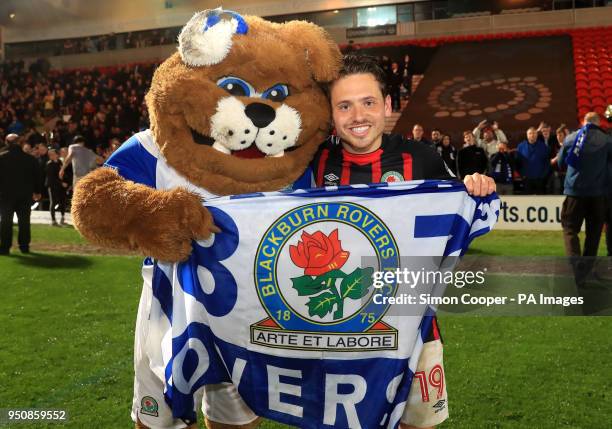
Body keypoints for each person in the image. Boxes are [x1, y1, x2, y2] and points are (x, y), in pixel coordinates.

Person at [313, 54, 495, 429]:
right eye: (344, 106)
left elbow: (457, 211)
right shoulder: (313, 162)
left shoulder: (421, 158)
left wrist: (477, 188)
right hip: (335, 328)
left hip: (413, 326)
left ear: (388, 106)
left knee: (417, 423)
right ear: (331, 113)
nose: (358, 116)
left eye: (368, 102)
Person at [558, 112, 612, 285]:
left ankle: (576, 263)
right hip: (598, 195)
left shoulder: (570, 139)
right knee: (594, 234)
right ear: (599, 123)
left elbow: (560, 163)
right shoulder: (607, 141)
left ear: (583, 122)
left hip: (575, 194)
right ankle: (584, 272)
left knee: (569, 229)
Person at [0, 135, 42, 254]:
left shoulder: (2, 158)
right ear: (20, 143)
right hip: (25, 195)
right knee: (24, 221)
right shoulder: (30, 159)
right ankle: (24, 246)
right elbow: (37, 177)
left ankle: (4, 247)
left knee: (5, 222)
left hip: (5, 195)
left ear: (7, 142)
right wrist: (37, 192)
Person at [516, 127, 550, 194]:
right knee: (527, 200)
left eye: (534, 133)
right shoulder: (521, 146)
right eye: (530, 133)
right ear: (527, 135)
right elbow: (518, 162)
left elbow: (547, 162)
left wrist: (543, 175)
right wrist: (522, 175)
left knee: (541, 201)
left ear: (537, 135)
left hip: (540, 179)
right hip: (526, 179)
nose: (532, 135)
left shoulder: (543, 146)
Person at [46, 148, 68, 226]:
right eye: (49, 154)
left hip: (61, 186)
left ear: (56, 155)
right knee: (53, 202)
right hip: (53, 186)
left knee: (62, 201)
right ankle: (53, 220)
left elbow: (63, 173)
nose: (50, 156)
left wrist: (65, 181)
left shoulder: (60, 162)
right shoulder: (49, 164)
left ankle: (62, 218)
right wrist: (61, 183)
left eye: (52, 154)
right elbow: (52, 177)